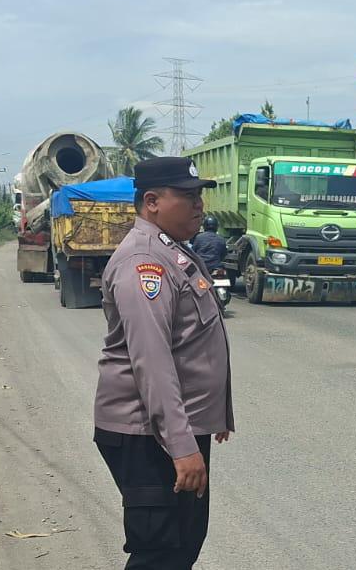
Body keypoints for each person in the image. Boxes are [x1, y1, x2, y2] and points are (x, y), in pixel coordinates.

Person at [95, 156, 234, 570]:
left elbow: (190, 345)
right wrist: (181, 446)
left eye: (200, 196)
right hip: (148, 436)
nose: (200, 205)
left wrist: (213, 414)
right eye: (188, 196)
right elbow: (152, 362)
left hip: (174, 428)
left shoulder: (171, 251)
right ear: (152, 202)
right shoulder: (145, 262)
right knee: (161, 553)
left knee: (182, 543)